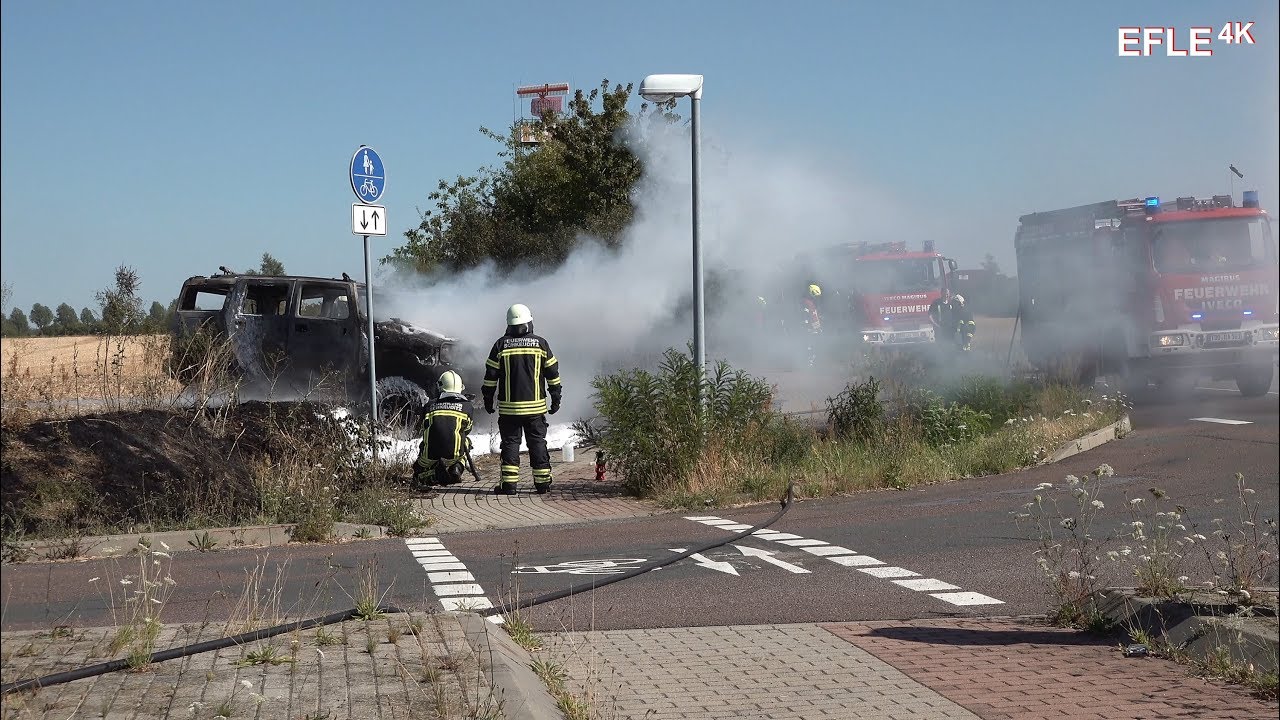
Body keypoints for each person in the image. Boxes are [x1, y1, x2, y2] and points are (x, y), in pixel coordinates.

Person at [482, 303, 562, 495]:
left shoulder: (500, 345)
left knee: (510, 444)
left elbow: (490, 377)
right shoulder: (541, 344)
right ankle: (542, 484)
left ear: (509, 324)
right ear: (529, 322)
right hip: (535, 409)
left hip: (509, 409)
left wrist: (488, 399)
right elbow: (553, 374)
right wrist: (556, 398)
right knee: (537, 443)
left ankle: (509, 485)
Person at [413, 370, 475, 489]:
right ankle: (457, 467)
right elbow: (467, 429)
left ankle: (430, 474)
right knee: (466, 441)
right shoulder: (467, 406)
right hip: (454, 455)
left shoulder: (430, 405)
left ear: (440, 386)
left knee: (418, 469)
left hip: (429, 456)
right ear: (460, 387)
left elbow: (423, 427)